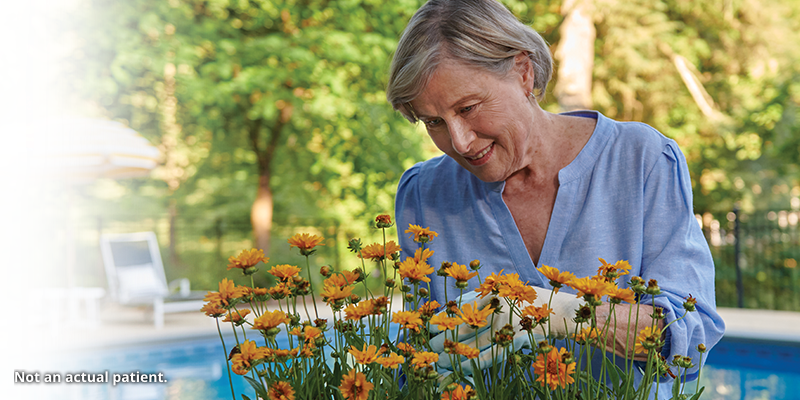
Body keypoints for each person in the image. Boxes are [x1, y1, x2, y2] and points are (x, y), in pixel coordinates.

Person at [387, 0, 725, 394]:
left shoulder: (640, 158)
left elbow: (690, 338)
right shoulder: (423, 195)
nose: (459, 141)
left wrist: (553, 311)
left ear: (523, 72)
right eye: (434, 122)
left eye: (468, 107)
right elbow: (422, 361)